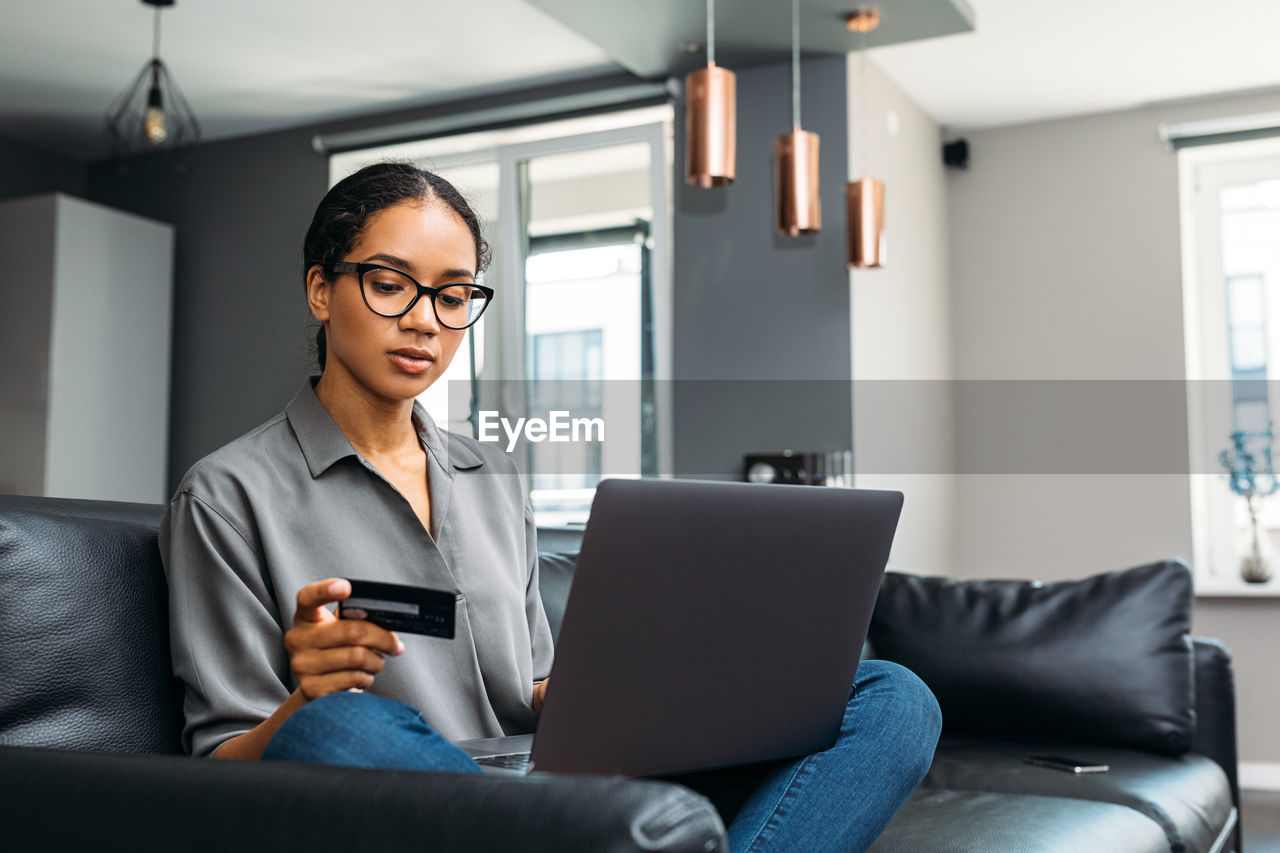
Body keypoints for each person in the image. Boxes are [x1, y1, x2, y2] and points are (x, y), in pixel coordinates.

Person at [159, 161, 942, 852]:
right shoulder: (228, 494)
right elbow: (222, 756)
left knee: (894, 697)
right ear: (321, 288)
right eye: (391, 283)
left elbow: (535, 689)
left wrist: (665, 682)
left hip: (554, 786)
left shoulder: (492, 474)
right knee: (335, 727)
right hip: (412, 796)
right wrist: (306, 701)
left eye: (454, 294)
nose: (426, 318)